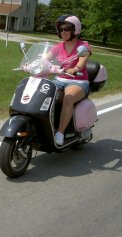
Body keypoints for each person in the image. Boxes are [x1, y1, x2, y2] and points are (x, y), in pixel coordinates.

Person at [46, 15, 91, 145]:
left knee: (68, 98)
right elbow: (45, 59)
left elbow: (82, 60)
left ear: (75, 30)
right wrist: (33, 65)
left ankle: (60, 132)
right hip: (59, 79)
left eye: (66, 29)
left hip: (77, 81)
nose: (63, 32)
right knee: (42, 91)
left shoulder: (83, 46)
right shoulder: (58, 46)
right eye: (61, 29)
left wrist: (75, 68)